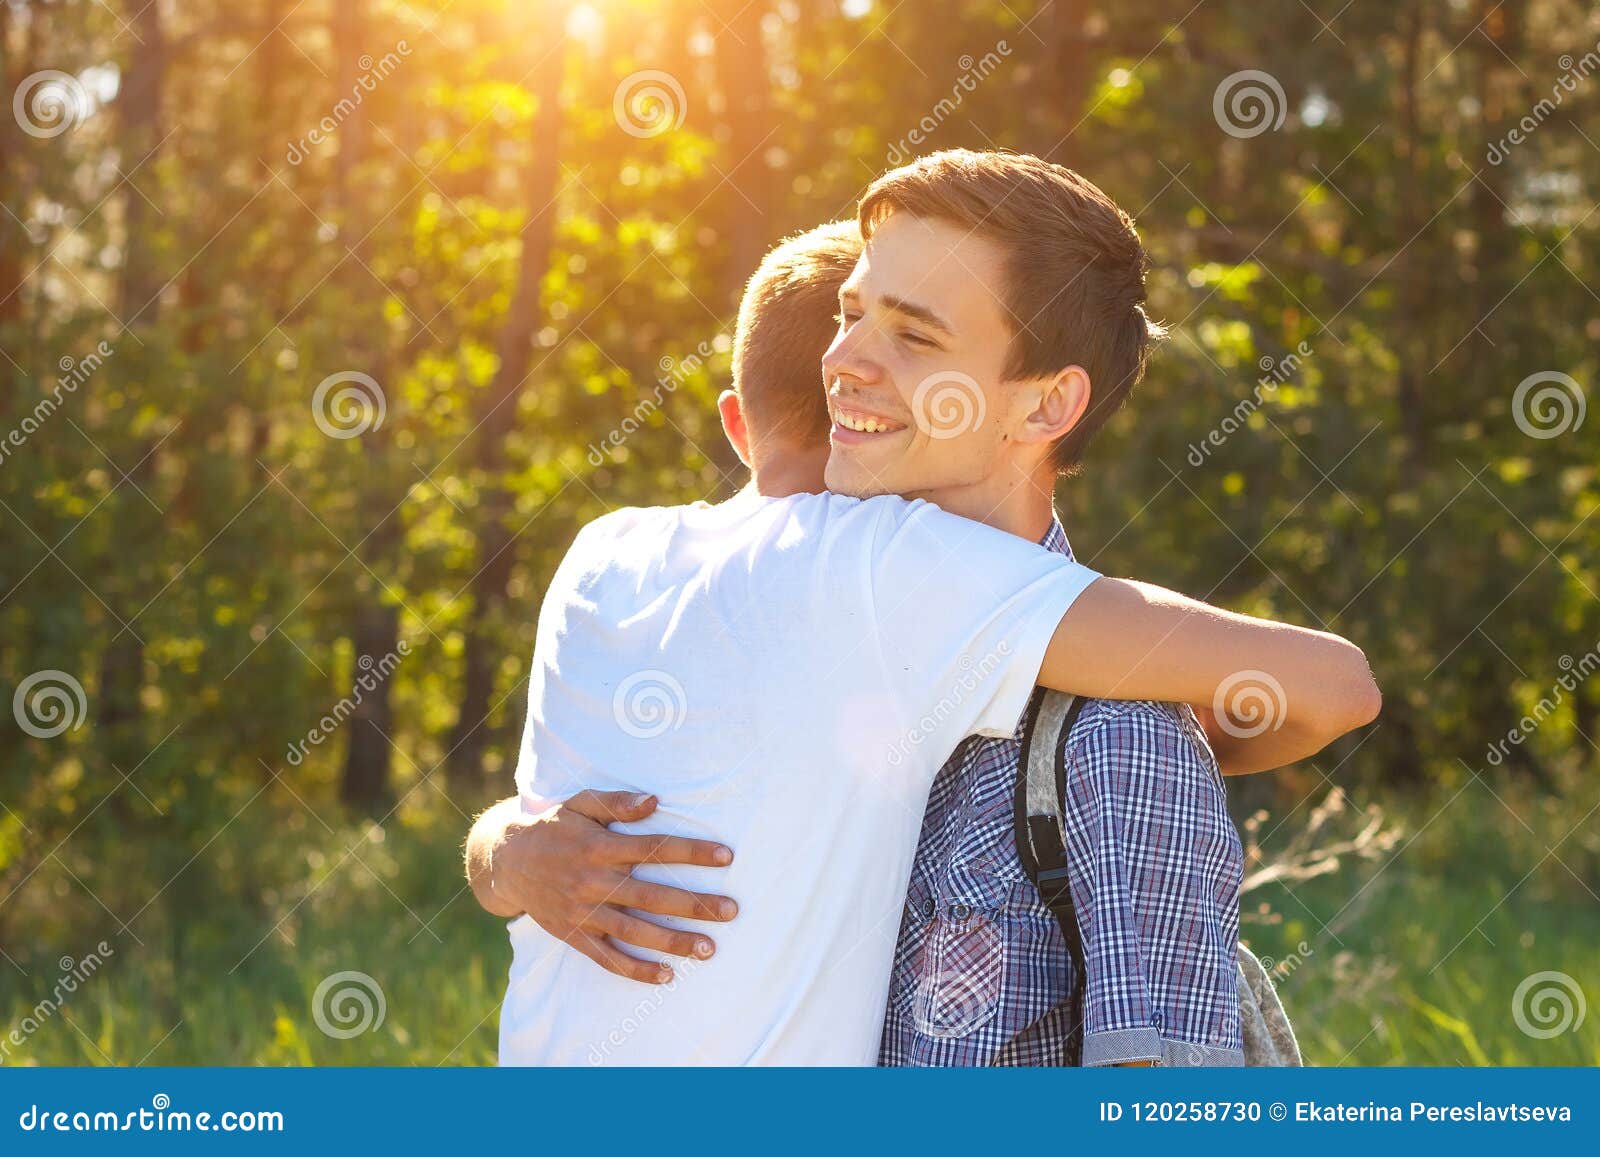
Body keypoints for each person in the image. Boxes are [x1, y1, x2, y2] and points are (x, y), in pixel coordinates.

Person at [470, 151, 1381, 1066]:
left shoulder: (1107, 734)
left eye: (915, 336)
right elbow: (1328, 688)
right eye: (850, 313)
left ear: (1047, 404)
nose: (842, 363)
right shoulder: (840, 589)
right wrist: (506, 845)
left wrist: (1126, 733)